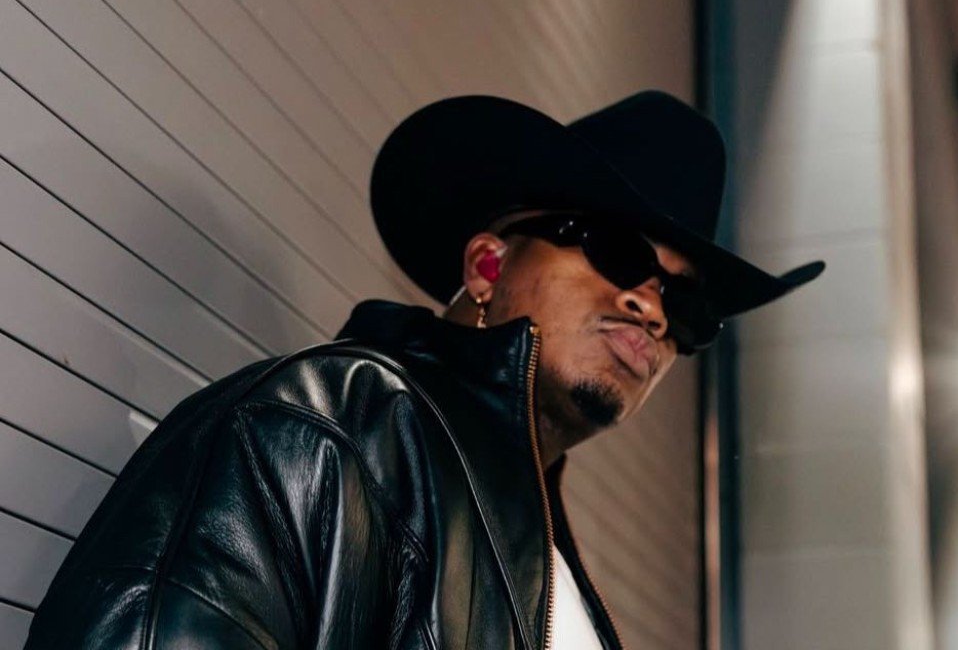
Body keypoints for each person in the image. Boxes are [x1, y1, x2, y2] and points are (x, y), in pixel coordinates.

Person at [25, 91, 824, 649]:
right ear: (487, 265)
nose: (650, 309)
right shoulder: (329, 425)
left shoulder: (545, 566)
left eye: (685, 306)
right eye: (617, 253)